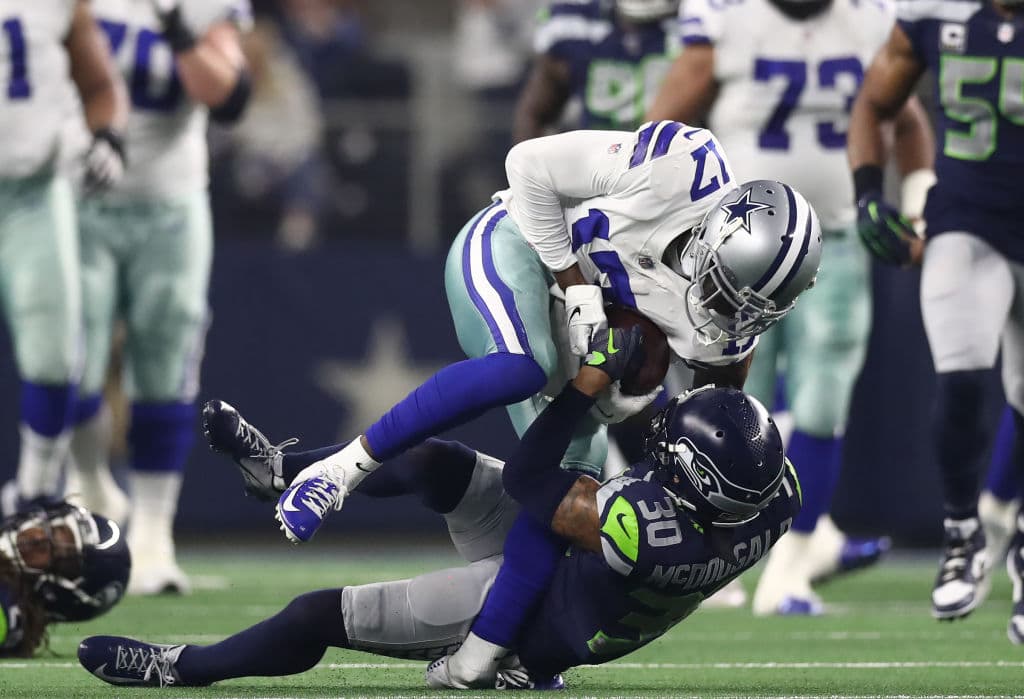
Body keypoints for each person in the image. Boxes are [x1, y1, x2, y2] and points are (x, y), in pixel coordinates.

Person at [229, 121, 820, 684]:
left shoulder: (732, 327)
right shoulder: (678, 166)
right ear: (717, 234)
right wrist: (577, 288)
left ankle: (477, 659)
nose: (731, 313)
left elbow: (705, 431)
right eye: (728, 286)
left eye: (751, 305)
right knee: (520, 368)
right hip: (515, 246)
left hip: (584, 338)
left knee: (571, 491)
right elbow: (526, 165)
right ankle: (335, 472)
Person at [77, 326, 802, 689]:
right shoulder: (773, 495)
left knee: (315, 613)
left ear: (689, 483)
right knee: (431, 461)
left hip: (528, 615)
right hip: (584, 571)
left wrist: (587, 384)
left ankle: (183, 667)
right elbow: (711, 459)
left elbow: (528, 476)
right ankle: (278, 472)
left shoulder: (641, 527)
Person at [645, 0, 936, 615]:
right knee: (718, 400)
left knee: (824, 402)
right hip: (732, 254)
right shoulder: (725, 15)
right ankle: (706, 558)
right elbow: (663, 126)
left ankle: (791, 567)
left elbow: (905, 120)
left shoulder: (870, 16)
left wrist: (916, 206)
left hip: (837, 243)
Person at [846, 0, 1024, 635]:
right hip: (967, 221)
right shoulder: (935, 10)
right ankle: (962, 534)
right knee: (960, 384)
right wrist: (869, 190)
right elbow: (875, 102)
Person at [63, 0, 252, 596]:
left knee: (165, 369)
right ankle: (90, 480)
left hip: (170, 202)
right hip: (76, 197)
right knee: (68, 364)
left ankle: (151, 535)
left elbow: (229, 99)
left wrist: (176, 27)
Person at [0, 0, 127, 513]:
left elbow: (100, 87)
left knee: (55, 358)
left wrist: (109, 138)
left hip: (32, 193)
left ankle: (32, 495)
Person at [513, 0, 679, 141]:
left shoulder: (696, 19)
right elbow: (535, 116)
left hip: (682, 164)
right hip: (597, 166)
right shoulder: (574, 21)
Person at [0, 500, 130, 657]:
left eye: (57, 554)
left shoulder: (7, 604)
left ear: (58, 592)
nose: (36, 538)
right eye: (51, 529)